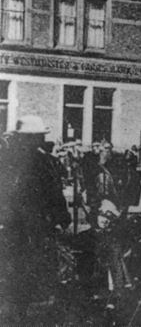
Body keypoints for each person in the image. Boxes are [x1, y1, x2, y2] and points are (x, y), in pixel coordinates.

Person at [0, 116, 71, 322]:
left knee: (14, 267)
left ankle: (18, 310)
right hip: (36, 224)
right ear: (33, 138)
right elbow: (55, 193)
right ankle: (27, 312)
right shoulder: (45, 161)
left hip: (14, 224)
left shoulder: (7, 159)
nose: (42, 140)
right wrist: (62, 217)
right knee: (33, 267)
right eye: (40, 136)